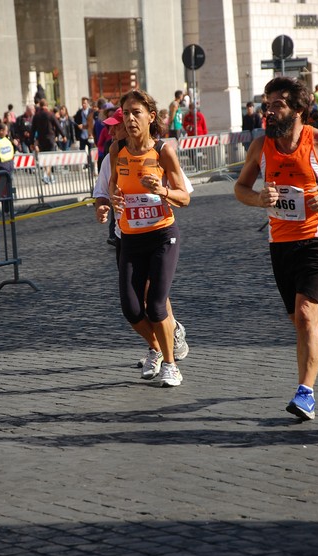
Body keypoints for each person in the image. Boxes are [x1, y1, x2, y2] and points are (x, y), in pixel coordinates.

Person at [234, 76, 318, 421]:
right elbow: (240, 188)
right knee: (302, 320)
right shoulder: (261, 146)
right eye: (267, 105)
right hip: (280, 242)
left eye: (278, 104)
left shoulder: (317, 141)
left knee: (304, 315)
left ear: (298, 108)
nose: (269, 111)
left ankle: (305, 394)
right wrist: (258, 198)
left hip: (316, 239)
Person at [94, 106, 190, 369]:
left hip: (158, 233)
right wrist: (103, 207)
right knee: (133, 305)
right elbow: (103, 192)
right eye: (114, 124)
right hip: (125, 236)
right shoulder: (112, 155)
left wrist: (162, 191)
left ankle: (167, 345)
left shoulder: (159, 151)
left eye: (117, 125)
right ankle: (158, 345)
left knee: (154, 297)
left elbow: (184, 192)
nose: (112, 130)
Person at [29, 98, 66, 183]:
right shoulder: (50, 114)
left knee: (45, 158)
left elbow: (33, 130)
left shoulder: (36, 116)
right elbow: (57, 125)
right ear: (47, 105)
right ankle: (47, 175)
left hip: (41, 139)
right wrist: (63, 135)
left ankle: (48, 175)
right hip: (50, 139)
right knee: (49, 158)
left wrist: (31, 142)